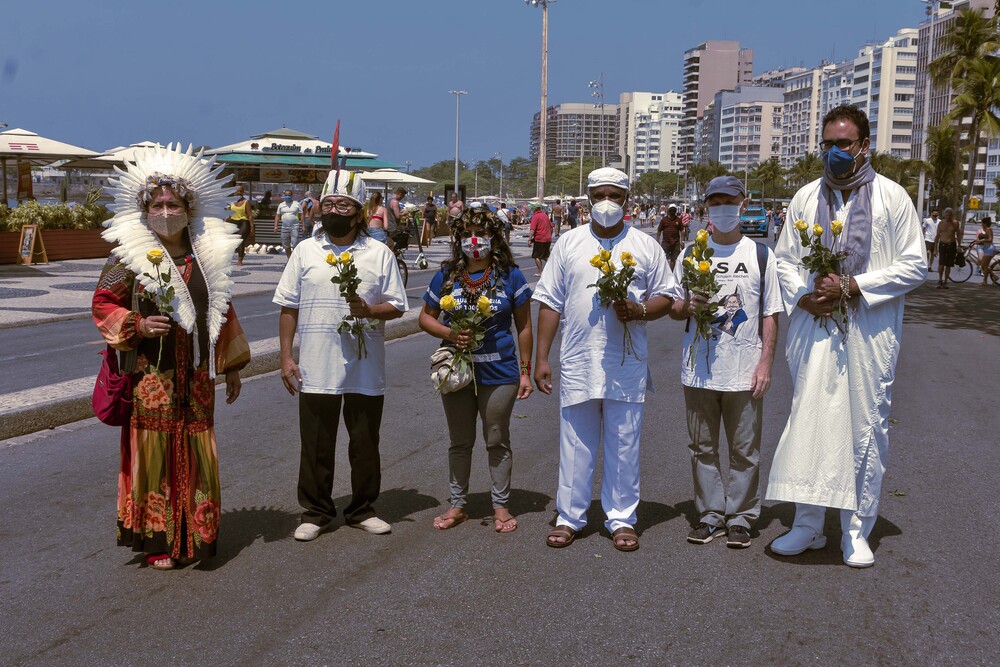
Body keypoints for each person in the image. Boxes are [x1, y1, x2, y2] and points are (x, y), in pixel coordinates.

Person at [766, 104, 926, 568]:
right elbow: (784, 260)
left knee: (866, 425)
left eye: (844, 143)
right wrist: (803, 296)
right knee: (810, 419)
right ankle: (807, 524)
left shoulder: (892, 198)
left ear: (864, 145)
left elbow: (915, 264)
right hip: (814, 327)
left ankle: (857, 530)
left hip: (869, 329)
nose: (835, 152)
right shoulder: (804, 197)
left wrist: (856, 286)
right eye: (828, 144)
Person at [93, 145, 251, 570]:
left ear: (189, 207)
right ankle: (158, 538)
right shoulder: (125, 259)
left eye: (173, 204)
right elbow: (102, 304)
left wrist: (231, 365)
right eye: (157, 204)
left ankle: (196, 535)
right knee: (155, 452)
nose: (165, 211)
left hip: (197, 379)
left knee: (197, 448)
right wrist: (137, 325)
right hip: (151, 381)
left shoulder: (206, 255)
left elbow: (223, 310)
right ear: (144, 210)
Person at [533, 167, 676, 552]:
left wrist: (641, 311)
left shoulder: (646, 246)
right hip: (579, 359)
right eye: (599, 196)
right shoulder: (569, 243)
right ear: (588, 199)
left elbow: (669, 296)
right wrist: (541, 357)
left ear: (628, 200)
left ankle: (622, 518)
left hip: (626, 362)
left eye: (615, 195)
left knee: (624, 442)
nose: (606, 203)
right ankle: (569, 516)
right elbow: (549, 301)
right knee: (575, 443)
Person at [274, 169, 408, 542]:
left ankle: (362, 509)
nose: (334, 209)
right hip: (316, 364)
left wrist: (368, 311)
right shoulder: (305, 250)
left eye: (343, 204)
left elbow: (397, 306)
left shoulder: (379, 253)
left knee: (364, 442)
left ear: (359, 211)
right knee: (316, 442)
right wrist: (286, 357)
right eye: (329, 203)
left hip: (365, 366)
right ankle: (316, 511)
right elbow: (288, 306)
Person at [667, 176, 781, 549]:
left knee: (744, 449)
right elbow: (674, 306)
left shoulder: (761, 255)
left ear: (743, 205)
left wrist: (765, 363)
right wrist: (689, 305)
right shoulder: (691, 255)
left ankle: (742, 517)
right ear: (705, 209)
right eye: (714, 202)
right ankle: (711, 514)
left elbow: (770, 314)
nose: (722, 209)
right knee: (702, 447)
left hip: (744, 369)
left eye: (728, 202)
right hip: (698, 369)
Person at [418, 207, 534, 533]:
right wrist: (450, 334)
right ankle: (457, 505)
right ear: (458, 238)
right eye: (467, 233)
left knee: (496, 438)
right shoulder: (446, 276)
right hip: (457, 371)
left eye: (481, 233)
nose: (474, 240)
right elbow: (425, 317)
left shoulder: (511, 276)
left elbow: (524, 327)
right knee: (460, 441)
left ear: (494, 237)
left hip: (501, 373)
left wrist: (525, 371)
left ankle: (501, 506)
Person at [227, 184, 254, 267]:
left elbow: (249, 215)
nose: (239, 192)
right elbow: (228, 214)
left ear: (243, 192)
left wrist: (252, 226)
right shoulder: (231, 202)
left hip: (244, 222)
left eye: (241, 191)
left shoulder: (246, 202)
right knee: (233, 242)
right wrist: (223, 223)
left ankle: (240, 259)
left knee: (240, 240)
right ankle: (241, 253)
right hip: (233, 222)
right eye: (237, 190)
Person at [934, 207, 960, 288]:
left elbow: (958, 234)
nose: (948, 217)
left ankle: (946, 281)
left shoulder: (955, 223)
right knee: (941, 263)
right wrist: (935, 249)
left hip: (952, 245)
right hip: (943, 244)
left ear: (952, 215)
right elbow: (937, 236)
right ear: (944, 215)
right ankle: (940, 280)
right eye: (947, 215)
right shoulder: (941, 223)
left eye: (950, 215)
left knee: (948, 264)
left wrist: (959, 245)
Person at [274, 189, 302, 257]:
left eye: (289, 195)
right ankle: (289, 258)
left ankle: (295, 258)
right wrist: (276, 226)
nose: (287, 196)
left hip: (295, 226)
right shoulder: (281, 205)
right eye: (286, 195)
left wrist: (303, 225)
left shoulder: (297, 204)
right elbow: (277, 216)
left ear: (292, 195)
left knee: (295, 243)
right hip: (284, 227)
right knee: (285, 244)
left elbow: (302, 215)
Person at [971, 216, 998, 285]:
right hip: (987, 249)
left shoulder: (989, 229)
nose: (981, 224)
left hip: (990, 249)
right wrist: (977, 241)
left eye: (982, 223)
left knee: (983, 265)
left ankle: (989, 279)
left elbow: (990, 239)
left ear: (985, 224)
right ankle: (988, 279)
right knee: (984, 266)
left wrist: (982, 240)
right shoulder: (987, 229)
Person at [656, 204, 683, 269]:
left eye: (674, 210)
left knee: (673, 259)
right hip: (666, 243)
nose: (672, 211)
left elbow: (682, 231)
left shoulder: (678, 220)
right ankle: (665, 272)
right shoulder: (664, 220)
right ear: (668, 211)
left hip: (676, 243)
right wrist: (657, 240)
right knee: (664, 259)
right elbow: (659, 230)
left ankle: (671, 273)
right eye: (671, 210)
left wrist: (682, 242)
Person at [529, 204, 552, 277]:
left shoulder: (535, 217)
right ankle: (554, 267)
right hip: (547, 239)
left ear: (534, 210)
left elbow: (532, 229)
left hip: (539, 239)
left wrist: (529, 239)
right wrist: (549, 235)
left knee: (537, 256)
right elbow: (551, 227)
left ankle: (540, 272)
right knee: (545, 255)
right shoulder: (545, 215)